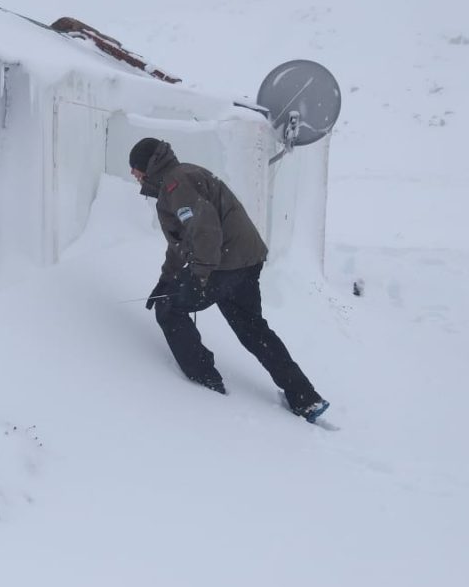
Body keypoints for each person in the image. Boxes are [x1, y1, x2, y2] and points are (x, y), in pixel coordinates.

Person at [128, 137, 330, 422]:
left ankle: (205, 382)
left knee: (170, 308)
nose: (133, 174)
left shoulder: (176, 184)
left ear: (148, 165)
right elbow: (181, 243)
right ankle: (305, 398)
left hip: (223, 264)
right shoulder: (180, 177)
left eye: (135, 168)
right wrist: (167, 278)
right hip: (244, 262)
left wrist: (197, 277)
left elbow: (204, 230)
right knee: (254, 332)